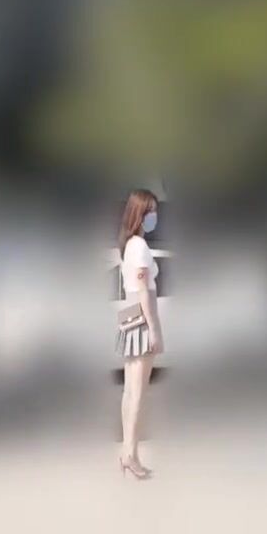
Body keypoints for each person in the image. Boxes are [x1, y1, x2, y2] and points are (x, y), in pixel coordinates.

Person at [115, 188, 163, 479]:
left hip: (128, 313)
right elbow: (145, 290)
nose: (155, 216)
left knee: (129, 391)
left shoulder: (128, 246)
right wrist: (154, 329)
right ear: (140, 213)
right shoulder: (140, 246)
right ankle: (131, 455)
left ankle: (126, 452)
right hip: (141, 316)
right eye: (151, 211)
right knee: (138, 393)